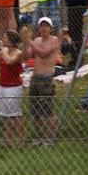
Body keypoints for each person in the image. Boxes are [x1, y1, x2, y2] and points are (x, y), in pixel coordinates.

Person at [25, 17, 61, 145]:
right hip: (35, 78)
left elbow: (44, 53)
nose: (44, 28)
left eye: (46, 25)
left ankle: (49, 138)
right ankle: (37, 137)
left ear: (51, 28)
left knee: (48, 110)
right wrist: (25, 41)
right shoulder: (36, 40)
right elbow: (27, 55)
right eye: (41, 25)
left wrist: (29, 41)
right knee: (35, 111)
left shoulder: (54, 40)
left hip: (46, 78)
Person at [0, 29, 26, 147]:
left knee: (15, 115)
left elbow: (10, 61)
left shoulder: (18, 53)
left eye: (5, 37)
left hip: (14, 87)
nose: (3, 39)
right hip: (3, 86)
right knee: (5, 115)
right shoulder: (3, 51)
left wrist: (1, 50)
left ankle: (21, 139)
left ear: (11, 40)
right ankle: (8, 139)